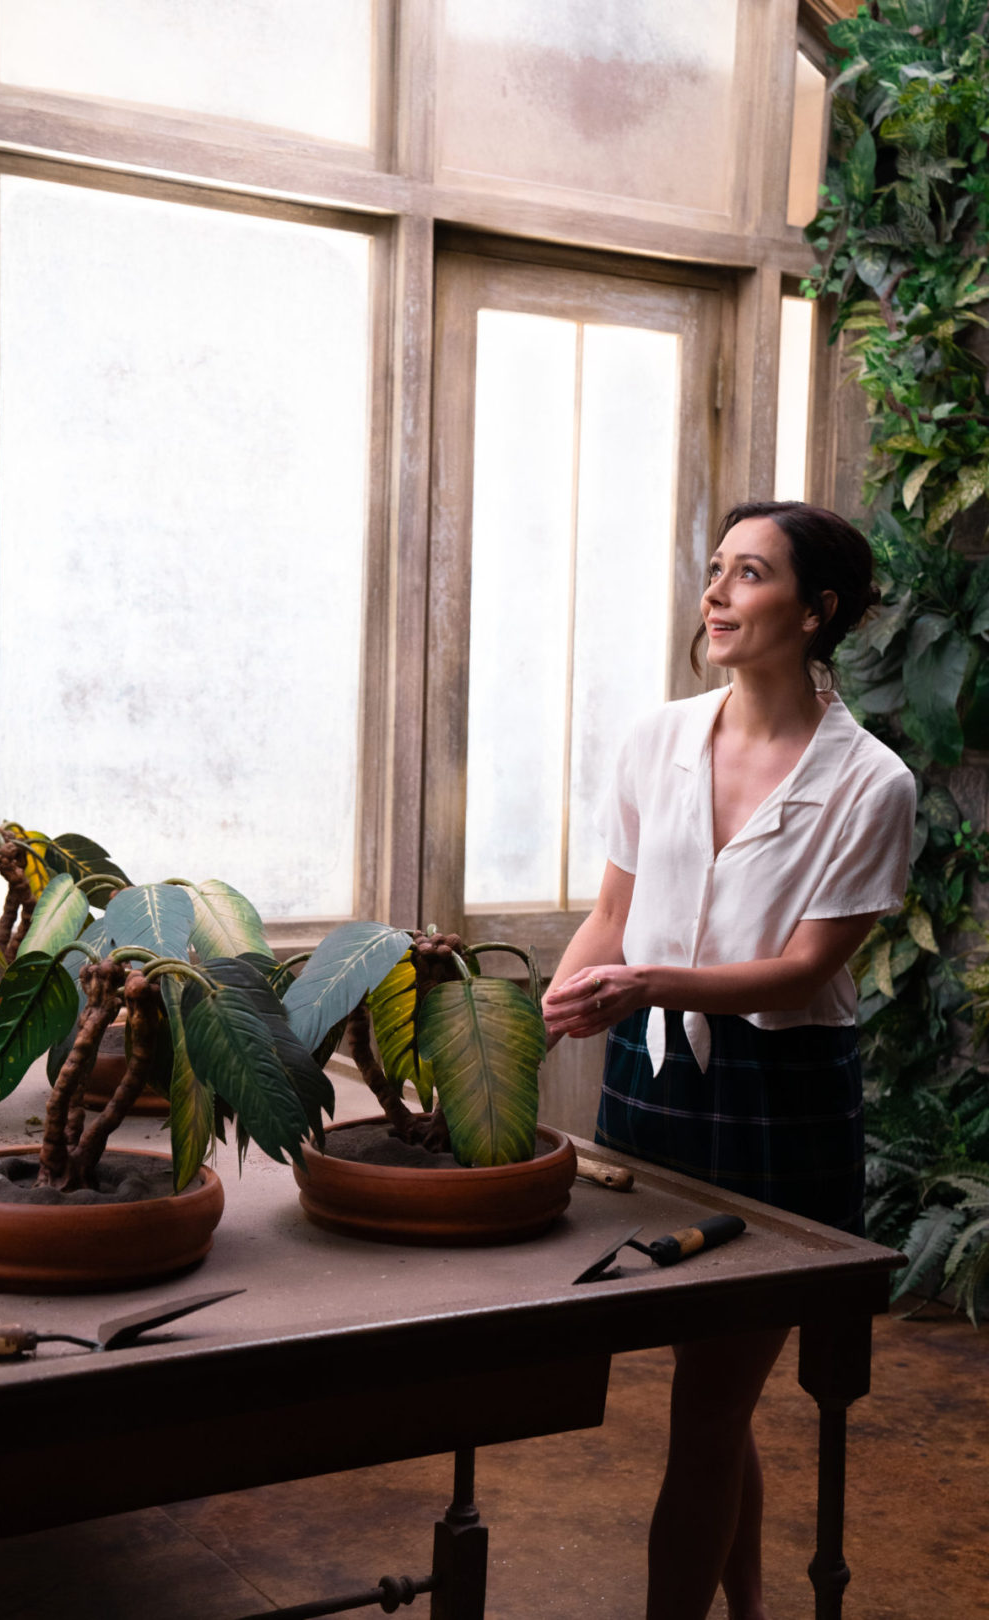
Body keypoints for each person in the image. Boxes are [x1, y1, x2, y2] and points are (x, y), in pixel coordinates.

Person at [542, 500, 916, 1620]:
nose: (714, 592)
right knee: (714, 1393)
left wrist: (647, 983)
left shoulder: (872, 784)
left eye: (747, 574)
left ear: (817, 612)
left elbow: (802, 973)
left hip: (782, 1096)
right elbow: (615, 914)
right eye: (714, 569)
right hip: (653, 1081)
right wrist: (545, 1013)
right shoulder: (657, 738)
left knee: (707, 1405)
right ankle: (748, 1609)